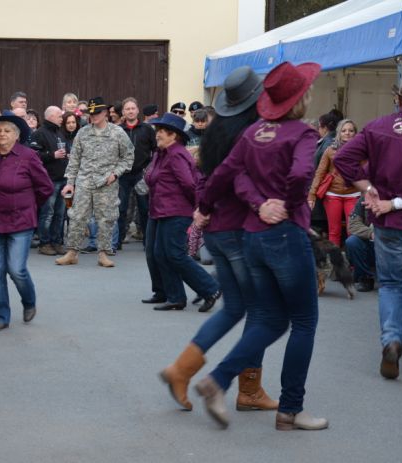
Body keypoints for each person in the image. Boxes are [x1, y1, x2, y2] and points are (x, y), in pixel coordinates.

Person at [194, 61, 328, 431]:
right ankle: (291, 409)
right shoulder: (301, 134)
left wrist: (227, 206)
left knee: (269, 320)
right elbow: (302, 174)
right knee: (303, 322)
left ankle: (218, 380)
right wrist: (288, 202)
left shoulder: (253, 132)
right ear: (301, 98)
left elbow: (225, 175)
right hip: (286, 236)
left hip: (252, 236)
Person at [159, 66, 277, 414]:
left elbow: (202, 181)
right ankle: (247, 389)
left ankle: (181, 370)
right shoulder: (253, 134)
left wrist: (204, 208)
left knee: (237, 308)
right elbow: (242, 181)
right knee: (260, 312)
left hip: (217, 230)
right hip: (242, 229)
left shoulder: (214, 134)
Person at [334, 75, 402, 380]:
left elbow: (342, 158)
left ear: (400, 99)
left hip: (388, 220)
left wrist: (369, 188)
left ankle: (392, 341)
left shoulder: (378, 127)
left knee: (392, 285)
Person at [142, 112, 222, 312]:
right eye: (158, 130)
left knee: (175, 254)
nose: (158, 134)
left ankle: (210, 288)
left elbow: (190, 184)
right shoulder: (161, 153)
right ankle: (175, 296)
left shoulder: (176, 154)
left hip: (176, 212)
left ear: (174, 136)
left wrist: (198, 209)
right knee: (161, 253)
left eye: (162, 131)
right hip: (161, 211)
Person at [0, 114, 53, 331]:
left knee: (16, 269)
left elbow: (46, 188)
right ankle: (1, 316)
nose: (2, 134)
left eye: (7, 130)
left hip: (20, 222)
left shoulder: (28, 156)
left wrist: (29, 206)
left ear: (17, 135)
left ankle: (29, 301)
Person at [55, 97, 134, 268]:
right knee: (76, 217)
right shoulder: (83, 133)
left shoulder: (117, 133)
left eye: (97, 113)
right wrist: (70, 182)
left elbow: (128, 157)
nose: (93, 116)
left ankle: (104, 253)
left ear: (105, 112)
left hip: (106, 183)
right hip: (84, 182)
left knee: (106, 219)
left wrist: (116, 173)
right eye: (91, 113)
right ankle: (72, 252)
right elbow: (74, 159)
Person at [307, 119, 360, 246]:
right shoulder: (330, 150)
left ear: (355, 133)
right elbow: (319, 173)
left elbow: (367, 172)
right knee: (334, 231)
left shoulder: (361, 150)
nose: (347, 133)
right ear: (339, 133)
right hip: (332, 195)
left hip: (353, 194)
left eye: (351, 130)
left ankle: (352, 262)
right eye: (344, 130)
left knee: (353, 231)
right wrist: (311, 195)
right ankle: (336, 263)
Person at [115, 97, 155, 250]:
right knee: (120, 209)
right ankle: (117, 242)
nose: (130, 111)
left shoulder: (147, 129)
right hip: (122, 175)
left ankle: (148, 242)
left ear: (137, 110)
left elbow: (156, 151)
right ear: (123, 112)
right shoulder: (117, 130)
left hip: (141, 174)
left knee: (145, 209)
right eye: (127, 109)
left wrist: (149, 170)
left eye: (133, 108)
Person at [31, 106, 68, 256]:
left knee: (60, 213)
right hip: (49, 180)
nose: (62, 119)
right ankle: (44, 243)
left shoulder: (59, 132)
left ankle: (56, 242)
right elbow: (34, 156)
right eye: (59, 116)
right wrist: (52, 155)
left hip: (63, 179)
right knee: (48, 213)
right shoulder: (39, 133)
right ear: (51, 116)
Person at [345, 195, 375, 292]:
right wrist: (371, 234)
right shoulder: (364, 199)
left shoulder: (395, 199)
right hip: (371, 240)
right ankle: (365, 277)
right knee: (352, 242)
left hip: (391, 241)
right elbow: (353, 225)